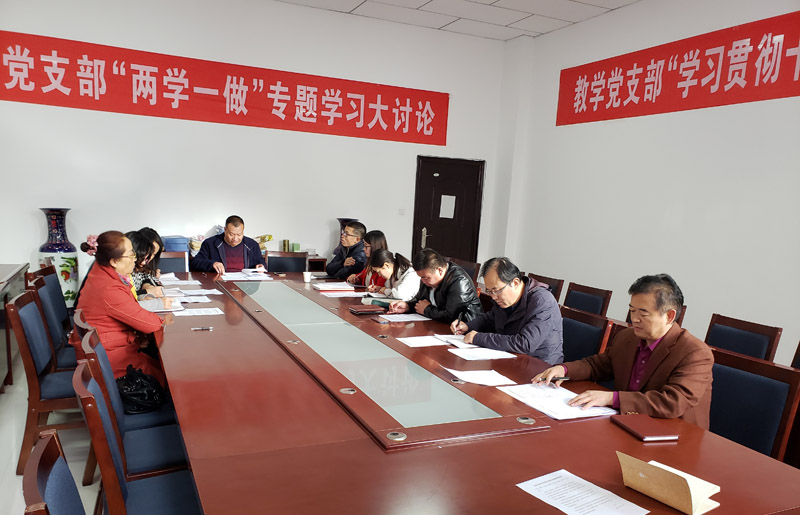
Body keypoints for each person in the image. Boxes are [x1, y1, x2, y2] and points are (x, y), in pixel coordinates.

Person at [533, 274, 713, 428]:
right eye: (632, 310)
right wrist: (564, 369)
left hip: (672, 434)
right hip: (626, 423)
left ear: (669, 315)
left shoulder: (695, 353)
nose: (635, 319)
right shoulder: (628, 337)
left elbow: (673, 402)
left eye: (643, 313)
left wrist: (612, 398)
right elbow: (598, 365)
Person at [75, 231, 170, 385]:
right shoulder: (109, 288)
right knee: (169, 375)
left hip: (104, 350)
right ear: (114, 261)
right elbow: (150, 324)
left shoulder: (101, 273)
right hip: (110, 361)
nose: (135, 259)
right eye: (131, 254)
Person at [451, 257, 563, 364]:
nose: (493, 297)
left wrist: (478, 338)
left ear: (515, 283)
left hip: (541, 366)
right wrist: (467, 326)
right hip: (510, 358)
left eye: (496, 290)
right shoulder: (504, 299)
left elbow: (525, 343)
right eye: (489, 291)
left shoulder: (542, 301)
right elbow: (490, 319)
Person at [389, 248, 481, 322]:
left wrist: (427, 310)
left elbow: (451, 316)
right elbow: (420, 301)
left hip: (464, 330)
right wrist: (407, 306)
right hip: (436, 325)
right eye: (421, 277)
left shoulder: (459, 281)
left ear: (439, 270)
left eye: (426, 278)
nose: (423, 281)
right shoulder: (426, 279)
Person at [191, 215, 266, 274]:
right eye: (231, 234)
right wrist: (212, 264)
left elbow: (262, 264)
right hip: (219, 283)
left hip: (245, 284)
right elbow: (195, 263)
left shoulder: (252, 245)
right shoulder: (210, 243)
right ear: (225, 229)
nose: (235, 238)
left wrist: (261, 266)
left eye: (239, 234)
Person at [126, 230, 163, 298]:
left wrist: (146, 284)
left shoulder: (142, 267)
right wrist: (146, 291)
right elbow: (125, 296)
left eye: (154, 254)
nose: (145, 261)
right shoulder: (124, 271)